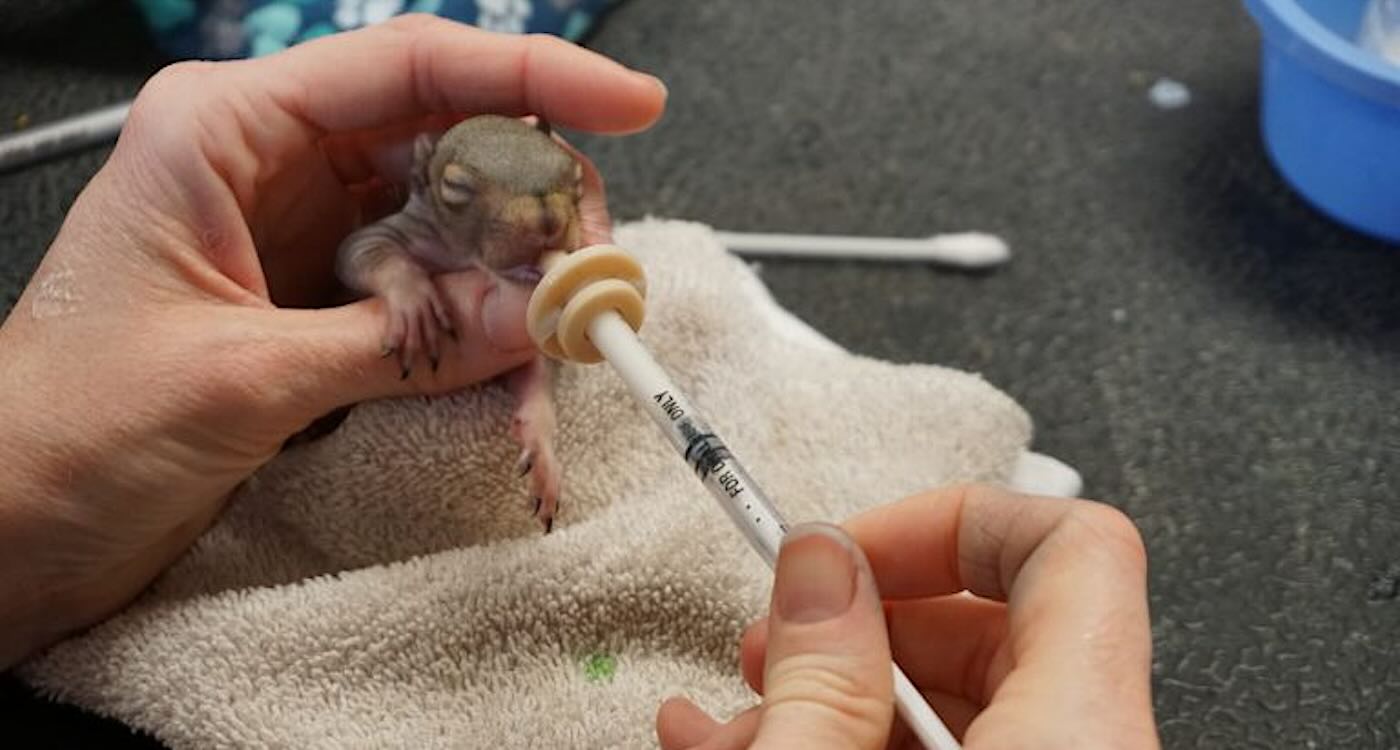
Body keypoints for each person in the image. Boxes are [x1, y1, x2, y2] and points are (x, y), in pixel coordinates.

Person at [0, 15, 1159, 748]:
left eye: (553, 212)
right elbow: (372, 258)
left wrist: (538, 423)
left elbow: (537, 362)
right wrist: (399, 302)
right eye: (484, 217)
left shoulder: (537, 241)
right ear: (434, 177)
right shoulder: (401, 224)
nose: (529, 242)